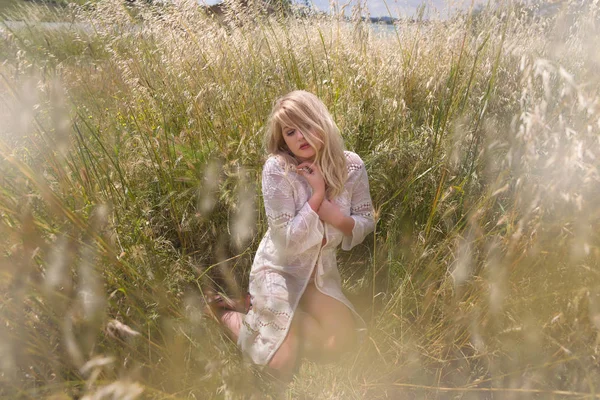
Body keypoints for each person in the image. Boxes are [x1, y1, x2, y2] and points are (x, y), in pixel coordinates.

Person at [210, 90, 375, 382]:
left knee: (339, 344)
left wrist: (335, 216)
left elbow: (365, 220)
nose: (301, 136)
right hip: (280, 270)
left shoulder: (351, 166)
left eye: (307, 125)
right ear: (283, 139)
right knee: (280, 362)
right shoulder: (277, 169)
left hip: (319, 275)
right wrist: (317, 197)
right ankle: (225, 314)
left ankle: (261, 312)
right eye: (290, 131)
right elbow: (287, 243)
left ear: (321, 121)